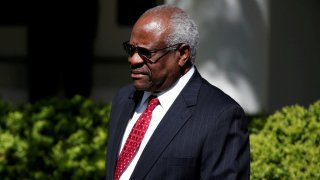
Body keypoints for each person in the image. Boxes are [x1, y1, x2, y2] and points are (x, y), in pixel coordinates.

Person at [105, 4, 250, 180]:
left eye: (145, 52)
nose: (133, 59)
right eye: (130, 49)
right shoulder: (124, 99)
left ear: (182, 54)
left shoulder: (220, 116)